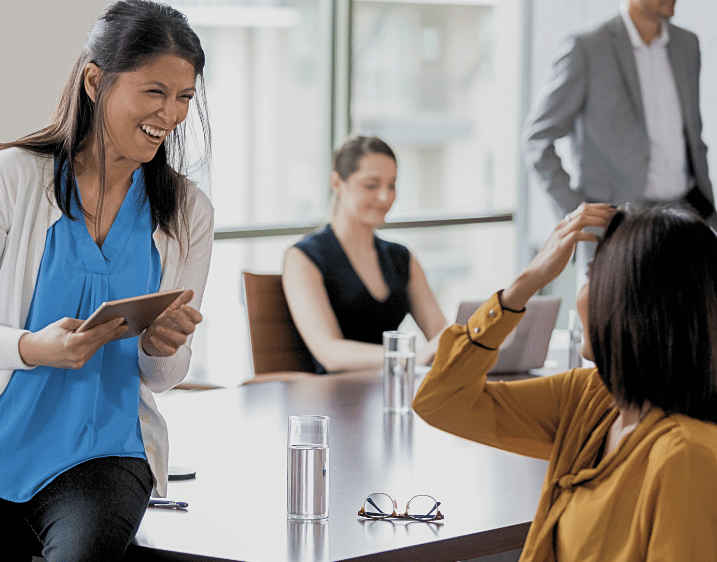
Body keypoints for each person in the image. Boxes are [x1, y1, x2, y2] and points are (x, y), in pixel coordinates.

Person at [0, 1, 214, 560]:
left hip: (102, 456)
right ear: (96, 82)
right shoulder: (12, 177)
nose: (171, 114)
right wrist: (33, 348)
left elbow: (164, 376)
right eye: (154, 92)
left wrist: (160, 347)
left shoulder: (187, 211)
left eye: (184, 97)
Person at [414, 203, 717, 561]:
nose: (581, 296)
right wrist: (526, 283)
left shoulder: (686, 456)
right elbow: (441, 401)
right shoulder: (590, 397)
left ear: (633, 302)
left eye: (591, 276)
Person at [523, 1, 714, 227]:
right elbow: (537, 139)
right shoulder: (586, 47)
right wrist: (579, 215)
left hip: (686, 218)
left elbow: (693, 137)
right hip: (617, 226)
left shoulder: (687, 44)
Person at [282, 135, 447, 373]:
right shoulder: (304, 257)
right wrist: (408, 355)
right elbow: (330, 352)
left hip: (390, 391)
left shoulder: (401, 257)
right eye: (371, 185)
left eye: (392, 185)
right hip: (334, 400)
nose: (385, 197)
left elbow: (440, 334)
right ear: (337, 183)